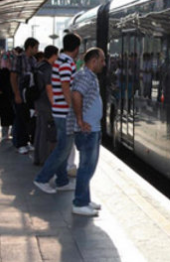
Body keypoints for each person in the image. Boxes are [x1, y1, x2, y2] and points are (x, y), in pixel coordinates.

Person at [33, 33, 81, 194]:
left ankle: (62, 181)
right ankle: (42, 178)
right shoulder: (67, 63)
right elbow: (65, 86)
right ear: (76, 48)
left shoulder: (60, 61)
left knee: (63, 148)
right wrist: (73, 106)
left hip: (59, 111)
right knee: (63, 149)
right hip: (65, 111)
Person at [69, 48, 106, 216]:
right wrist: (80, 120)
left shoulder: (88, 75)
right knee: (86, 167)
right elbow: (76, 95)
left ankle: (85, 198)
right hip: (87, 130)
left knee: (88, 166)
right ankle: (80, 202)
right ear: (94, 60)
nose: (104, 64)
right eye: (102, 60)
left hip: (92, 129)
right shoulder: (85, 76)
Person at [10, 37, 39, 154]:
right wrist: (16, 94)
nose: (37, 50)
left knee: (27, 117)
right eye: (36, 47)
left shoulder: (33, 60)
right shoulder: (19, 58)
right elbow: (13, 77)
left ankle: (26, 141)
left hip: (29, 94)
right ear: (29, 47)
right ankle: (20, 143)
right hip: (20, 92)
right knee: (20, 118)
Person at [33, 45, 58, 165]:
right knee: (46, 133)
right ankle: (43, 159)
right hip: (45, 103)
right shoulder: (49, 69)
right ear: (53, 55)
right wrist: (54, 104)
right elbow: (49, 88)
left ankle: (37, 157)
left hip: (37, 101)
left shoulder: (39, 65)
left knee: (39, 131)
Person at [0, 50, 14, 140]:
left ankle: (10, 133)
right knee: (5, 115)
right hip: (4, 96)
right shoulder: (0, 70)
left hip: (10, 96)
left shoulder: (13, 70)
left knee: (10, 115)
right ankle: (5, 134)